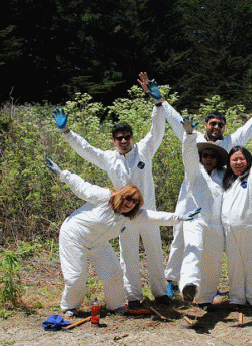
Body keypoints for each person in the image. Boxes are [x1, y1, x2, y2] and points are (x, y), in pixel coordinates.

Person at [138, 72, 252, 296]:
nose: (217, 127)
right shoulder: (194, 136)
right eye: (213, 123)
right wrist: (159, 100)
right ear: (206, 124)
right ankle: (171, 281)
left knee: (211, 245)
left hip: (216, 200)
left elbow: (250, 125)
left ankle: (208, 285)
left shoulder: (229, 143)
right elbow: (175, 118)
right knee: (181, 238)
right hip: (189, 196)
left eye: (221, 124)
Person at [52, 89, 171, 313]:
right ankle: (133, 296)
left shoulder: (144, 150)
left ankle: (161, 293)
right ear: (114, 141)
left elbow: (157, 131)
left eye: (127, 136)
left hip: (148, 213)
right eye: (119, 138)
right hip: (124, 216)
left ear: (132, 137)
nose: (123, 140)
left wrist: (157, 104)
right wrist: (67, 131)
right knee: (128, 256)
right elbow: (86, 150)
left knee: (155, 252)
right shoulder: (109, 158)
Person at [44, 157, 200, 317]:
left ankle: (116, 306)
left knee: (114, 273)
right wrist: (62, 174)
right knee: (76, 276)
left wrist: (181, 217)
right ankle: (69, 306)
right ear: (121, 196)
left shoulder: (132, 216)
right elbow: (82, 187)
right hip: (74, 236)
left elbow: (156, 217)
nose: (130, 203)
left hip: (98, 242)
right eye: (128, 198)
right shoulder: (105, 197)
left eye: (135, 202)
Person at [176, 116, 229, 311]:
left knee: (213, 262)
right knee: (193, 250)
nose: (208, 158)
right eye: (205, 155)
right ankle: (189, 285)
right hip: (194, 220)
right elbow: (188, 155)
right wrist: (189, 136)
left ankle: (205, 299)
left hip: (215, 225)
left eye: (212, 156)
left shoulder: (223, 175)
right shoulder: (194, 172)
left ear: (217, 160)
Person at [221, 118, 252, 311]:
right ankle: (236, 298)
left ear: (247, 160)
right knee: (234, 265)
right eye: (234, 159)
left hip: (251, 230)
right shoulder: (227, 182)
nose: (238, 162)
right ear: (229, 163)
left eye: (242, 159)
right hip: (230, 231)